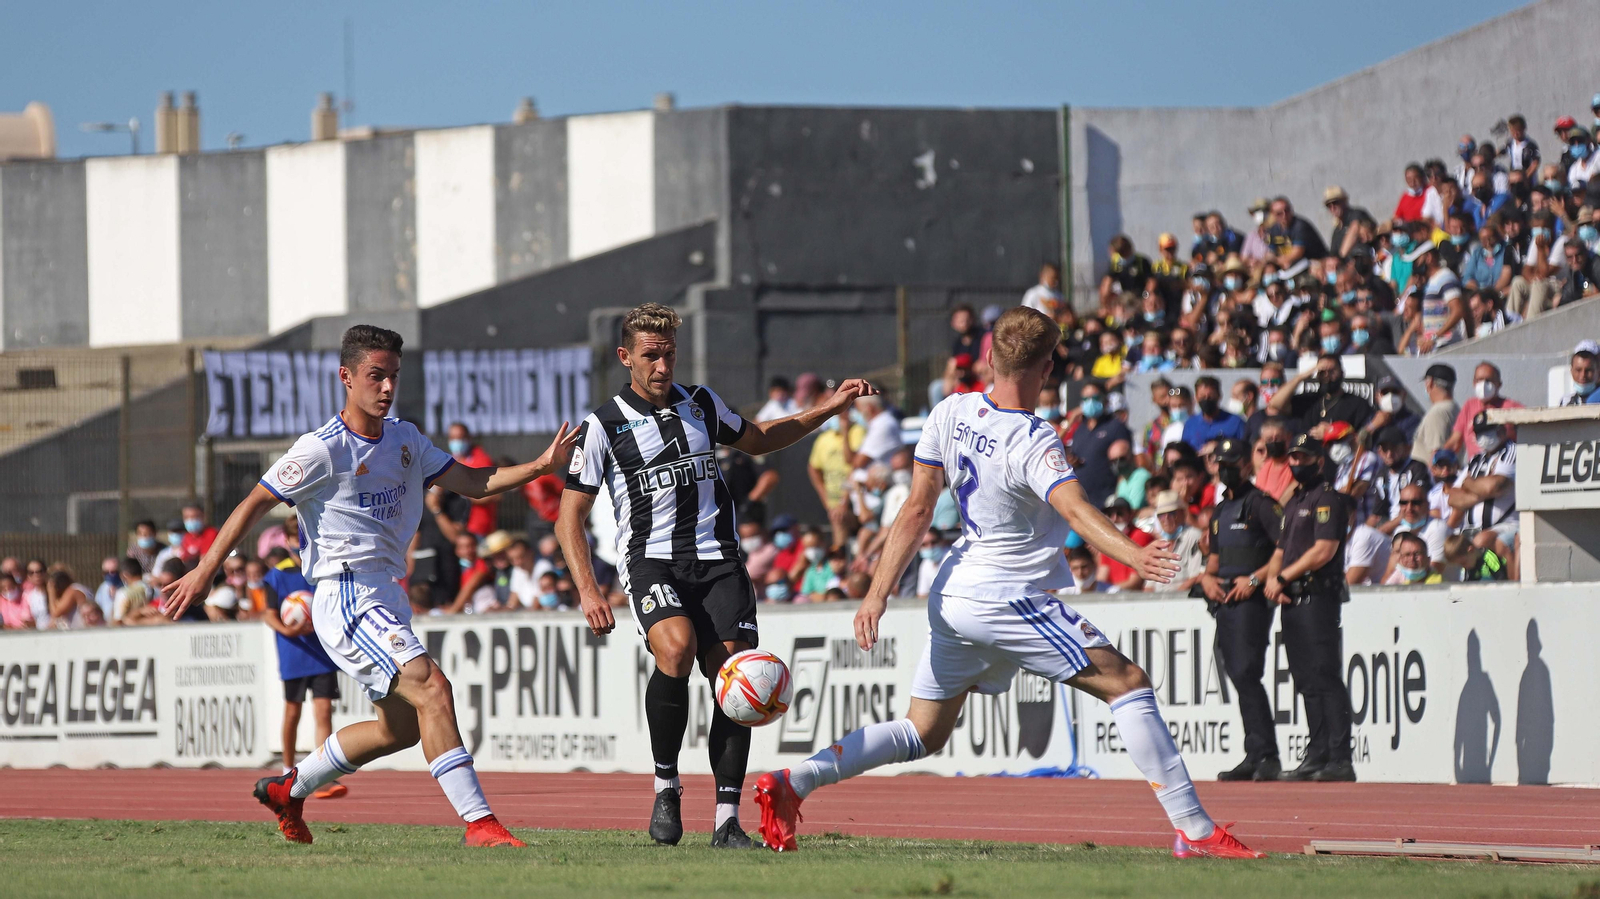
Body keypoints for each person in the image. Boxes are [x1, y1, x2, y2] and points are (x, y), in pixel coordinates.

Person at [752, 305, 1263, 860]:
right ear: (1048, 369)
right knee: (1129, 683)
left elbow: (917, 508)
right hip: (1004, 597)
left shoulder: (951, 410)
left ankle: (794, 781)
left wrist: (876, 594)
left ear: (990, 358)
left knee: (923, 732)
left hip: (952, 593)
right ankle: (1194, 829)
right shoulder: (1034, 439)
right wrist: (1134, 553)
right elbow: (1075, 508)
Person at [159, 324, 576, 848]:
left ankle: (289, 788)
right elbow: (255, 501)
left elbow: (472, 483)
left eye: (393, 376)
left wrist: (540, 466)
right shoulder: (321, 449)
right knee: (433, 688)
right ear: (346, 377)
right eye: (376, 376)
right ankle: (480, 824)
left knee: (398, 730)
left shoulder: (405, 439)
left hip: (386, 595)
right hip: (347, 595)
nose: (387, 387)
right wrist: (206, 570)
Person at [556, 303, 878, 850]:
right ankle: (666, 787)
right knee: (676, 648)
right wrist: (588, 590)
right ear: (626, 357)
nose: (663, 366)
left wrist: (829, 408)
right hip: (653, 560)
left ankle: (727, 821)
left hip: (719, 560)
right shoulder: (602, 426)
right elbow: (569, 517)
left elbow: (761, 437)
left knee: (736, 675)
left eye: (670, 354)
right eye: (651, 356)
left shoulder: (701, 403)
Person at [1264, 433, 1355, 782]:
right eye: (1293, 457)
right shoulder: (1294, 501)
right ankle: (1317, 754)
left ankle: (1340, 758)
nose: (1297, 463)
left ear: (1319, 460)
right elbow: (1279, 550)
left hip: (1318, 596)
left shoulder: (1326, 498)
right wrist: (1272, 581)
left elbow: (1323, 550)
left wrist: (1282, 577)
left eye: (1303, 457)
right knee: (1305, 679)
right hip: (1292, 599)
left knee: (1325, 675)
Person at [1198, 438, 1282, 782]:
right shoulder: (1220, 511)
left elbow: (1284, 549)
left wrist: (1255, 579)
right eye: (1221, 463)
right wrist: (1207, 579)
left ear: (1247, 466)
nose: (1226, 469)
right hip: (1226, 603)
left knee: (1247, 672)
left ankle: (1267, 755)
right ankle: (1255, 752)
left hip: (1252, 601)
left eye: (1232, 463)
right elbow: (1215, 559)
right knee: (1237, 674)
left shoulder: (1261, 504)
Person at [259, 546, 348, 800]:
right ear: (286, 540)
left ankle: (323, 775)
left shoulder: (324, 568)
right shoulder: (277, 575)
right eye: (293, 538)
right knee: (293, 712)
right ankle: (287, 770)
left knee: (324, 712)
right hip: (294, 654)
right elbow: (268, 613)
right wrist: (286, 630)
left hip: (322, 654)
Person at [1446, 413, 1519, 566]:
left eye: (1487, 431)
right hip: (1472, 529)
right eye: (1479, 433)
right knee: (1450, 549)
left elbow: (1495, 486)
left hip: (1506, 525)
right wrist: (1482, 492)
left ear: (1501, 430)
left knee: (1481, 541)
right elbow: (1453, 498)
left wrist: (1469, 483)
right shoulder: (1476, 459)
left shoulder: (1512, 451)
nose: (1483, 437)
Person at [1267, 354, 1373, 439]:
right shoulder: (1308, 400)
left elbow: (1362, 437)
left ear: (1342, 373)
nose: (1327, 376)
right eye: (1322, 372)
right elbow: (1275, 403)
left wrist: (1332, 432)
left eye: (1332, 371)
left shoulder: (1356, 403)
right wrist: (1301, 377)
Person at [1066, 383, 1132, 508]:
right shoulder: (1080, 430)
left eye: (1095, 398)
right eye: (1086, 399)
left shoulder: (1115, 426)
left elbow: (1124, 463)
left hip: (1107, 500)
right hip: (1083, 500)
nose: (1090, 402)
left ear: (1105, 400)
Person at [1446, 363, 1522, 458]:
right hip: (1476, 464)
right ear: (1474, 383)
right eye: (1479, 380)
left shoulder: (1513, 408)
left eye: (1489, 380)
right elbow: (1455, 442)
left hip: (1503, 463)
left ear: (1499, 384)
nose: (1483, 385)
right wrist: (1439, 455)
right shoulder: (1469, 406)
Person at [445, 423, 500, 538]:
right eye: (453, 438)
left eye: (460, 437)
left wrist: (461, 491)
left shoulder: (481, 460)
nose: (456, 442)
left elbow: (495, 494)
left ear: (468, 438)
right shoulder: (449, 459)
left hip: (477, 525)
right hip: (455, 526)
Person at [1148, 490, 1203, 593]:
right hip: (1158, 599)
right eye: (1161, 515)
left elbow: (1196, 576)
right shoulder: (1159, 544)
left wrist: (1171, 598)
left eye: (1171, 513)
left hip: (1183, 598)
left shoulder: (1194, 536)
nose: (1166, 519)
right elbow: (1149, 586)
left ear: (1183, 513)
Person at [1181, 376, 1246, 451]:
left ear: (1219, 396)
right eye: (1202, 396)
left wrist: (1220, 446)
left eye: (1210, 396)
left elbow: (1245, 449)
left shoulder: (1236, 423)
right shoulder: (1190, 424)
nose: (1206, 399)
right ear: (1196, 398)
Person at [1411, 363, 1459, 464]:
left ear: (1430, 382)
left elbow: (1437, 455)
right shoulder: (1454, 408)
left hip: (1426, 472)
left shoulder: (1437, 413)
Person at [1444, 533, 1509, 583]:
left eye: (1463, 563)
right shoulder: (1470, 565)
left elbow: (1502, 580)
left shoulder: (1489, 558)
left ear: (1471, 550)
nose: (1464, 567)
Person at [1562, 341, 1599, 406]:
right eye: (1578, 370)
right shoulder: (1566, 402)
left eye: (1588, 370)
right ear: (1571, 371)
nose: (1583, 375)